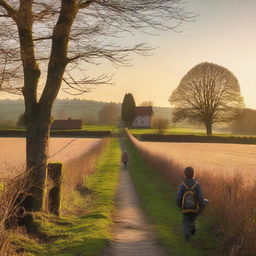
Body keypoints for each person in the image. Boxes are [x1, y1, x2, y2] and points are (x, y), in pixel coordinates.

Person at [176, 166, 206, 241]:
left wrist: (179, 205)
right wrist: (202, 207)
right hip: (194, 207)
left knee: (186, 220)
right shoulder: (197, 185)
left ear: (184, 175)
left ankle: (187, 235)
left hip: (185, 208)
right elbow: (200, 197)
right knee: (192, 219)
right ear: (194, 174)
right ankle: (192, 226)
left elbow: (179, 197)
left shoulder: (182, 185)